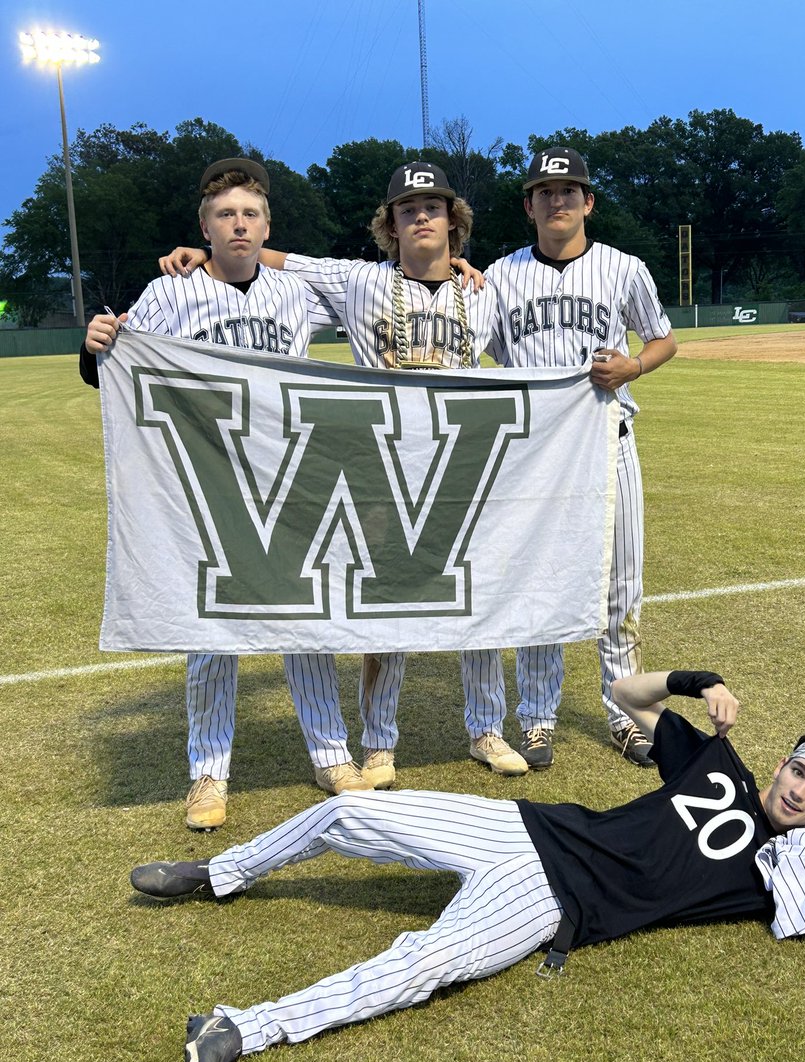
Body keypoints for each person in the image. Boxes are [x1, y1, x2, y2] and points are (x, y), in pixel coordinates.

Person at [130, 666, 805, 1062]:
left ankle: (241, 1026)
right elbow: (628, 696)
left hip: (550, 903)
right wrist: (697, 682)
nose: (801, 790)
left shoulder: (782, 873)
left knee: (420, 964)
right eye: (800, 770)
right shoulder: (716, 764)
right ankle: (218, 873)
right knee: (350, 812)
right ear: (780, 764)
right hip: (529, 828)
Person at [159, 163, 528, 784]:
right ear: (390, 223)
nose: (420, 217)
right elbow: (270, 257)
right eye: (407, 208)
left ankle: (486, 729)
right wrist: (205, 248)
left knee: (476, 598)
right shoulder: (356, 281)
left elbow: (523, 372)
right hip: (378, 464)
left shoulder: (485, 291)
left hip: (458, 465)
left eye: (432, 207)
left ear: (453, 219)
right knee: (387, 605)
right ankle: (378, 742)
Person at [81, 158, 373, 829]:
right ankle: (208, 773)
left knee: (305, 619)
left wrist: (462, 271)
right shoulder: (169, 292)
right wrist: (94, 346)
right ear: (203, 227)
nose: (237, 225)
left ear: (266, 227)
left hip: (288, 475)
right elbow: (119, 371)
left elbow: (381, 293)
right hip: (205, 482)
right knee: (211, 627)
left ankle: (331, 753)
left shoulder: (294, 293)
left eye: (249, 215)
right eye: (224, 215)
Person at [485, 147, 678, 771]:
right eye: (545, 191)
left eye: (569, 191)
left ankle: (625, 715)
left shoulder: (624, 269)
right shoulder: (498, 277)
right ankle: (537, 720)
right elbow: (462, 329)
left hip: (608, 444)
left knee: (621, 588)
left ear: (588, 201)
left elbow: (663, 338)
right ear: (529, 205)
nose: (557, 200)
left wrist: (635, 366)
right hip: (534, 456)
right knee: (539, 588)